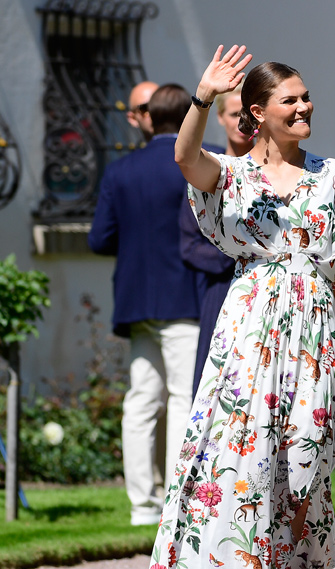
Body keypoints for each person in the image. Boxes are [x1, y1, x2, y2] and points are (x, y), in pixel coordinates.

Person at [140, 45, 335, 569]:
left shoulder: (334, 177)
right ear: (257, 112)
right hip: (249, 331)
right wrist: (201, 97)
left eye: (306, 97)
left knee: (307, 466)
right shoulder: (232, 175)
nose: (305, 107)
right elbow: (183, 156)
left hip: (312, 334)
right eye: (291, 100)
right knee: (249, 470)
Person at [89, 84, 201, 526]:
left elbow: (99, 239)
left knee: (140, 402)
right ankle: (177, 502)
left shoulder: (120, 171)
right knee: (182, 399)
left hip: (137, 301)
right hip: (185, 298)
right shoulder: (200, 158)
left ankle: (141, 506)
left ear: (150, 118)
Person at [180, 86, 252, 400]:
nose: (243, 122)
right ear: (221, 118)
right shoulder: (208, 171)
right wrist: (235, 254)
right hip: (222, 292)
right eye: (236, 114)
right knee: (216, 393)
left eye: (249, 115)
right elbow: (190, 245)